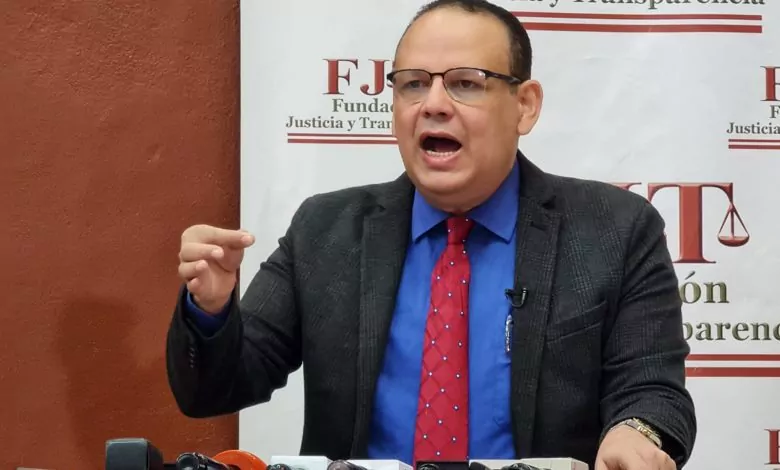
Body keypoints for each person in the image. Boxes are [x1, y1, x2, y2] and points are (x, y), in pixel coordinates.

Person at [166, 1, 696, 469]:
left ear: (525, 105)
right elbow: (215, 388)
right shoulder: (325, 230)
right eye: (413, 83)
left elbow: (653, 389)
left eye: (465, 83)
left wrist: (636, 430)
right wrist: (210, 310)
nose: (433, 104)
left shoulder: (614, 229)